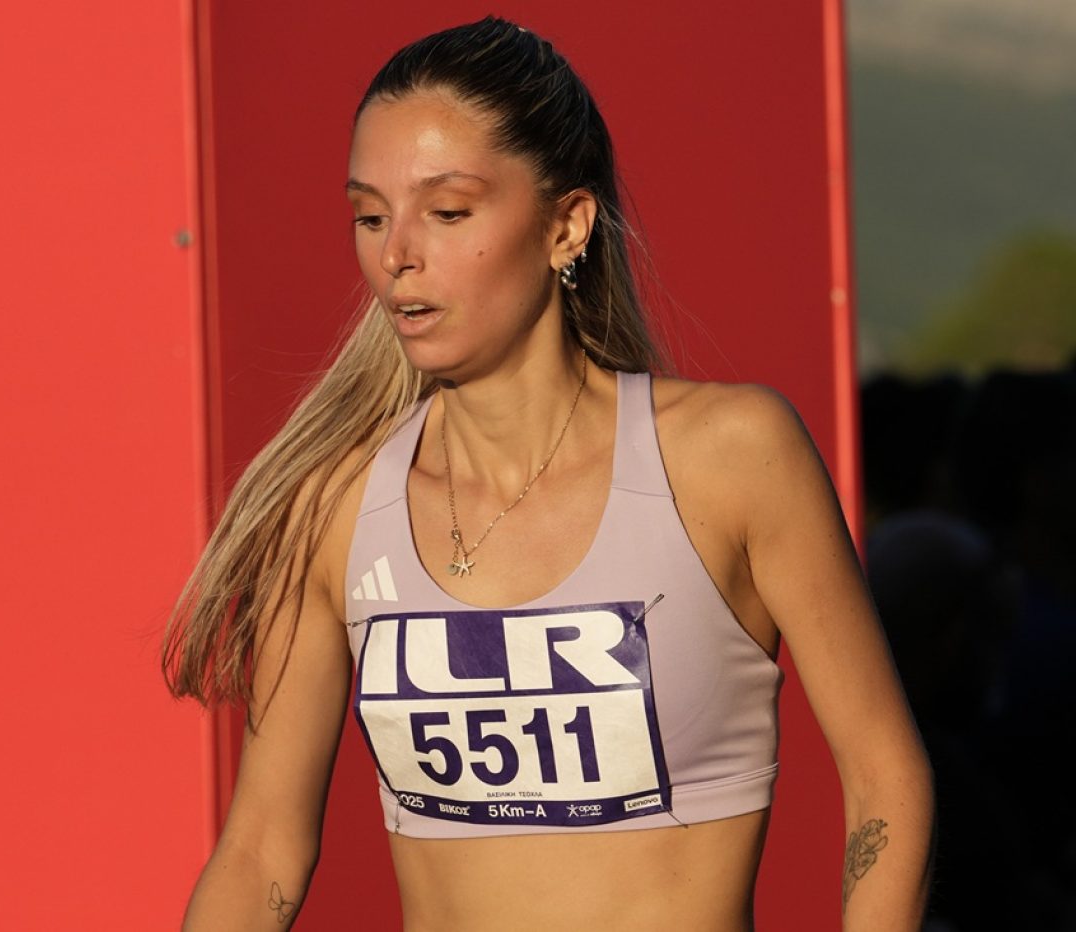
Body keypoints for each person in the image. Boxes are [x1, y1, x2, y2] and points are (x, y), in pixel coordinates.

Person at [164, 16, 933, 931]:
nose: (397, 252)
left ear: (567, 226)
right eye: (370, 216)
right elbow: (260, 849)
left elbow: (886, 777)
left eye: (448, 212)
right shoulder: (334, 504)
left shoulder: (731, 458)